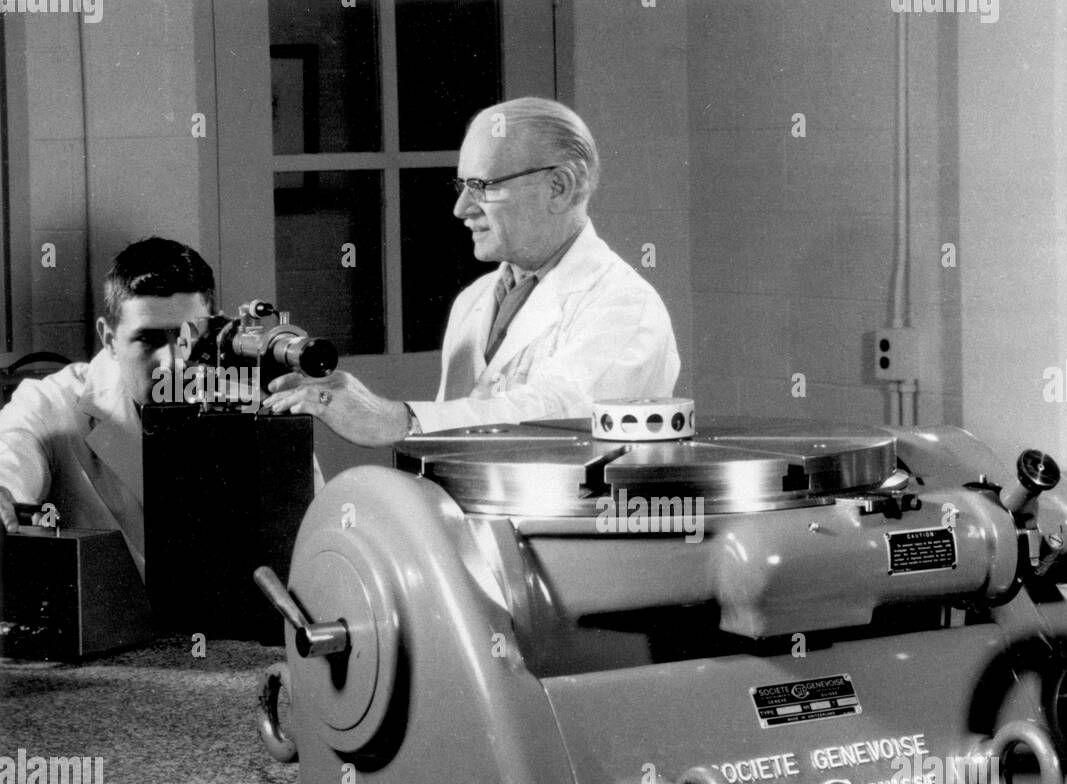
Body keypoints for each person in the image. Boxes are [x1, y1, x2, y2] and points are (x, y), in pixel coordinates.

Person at [262, 97, 680, 444]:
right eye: (462, 186)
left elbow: (561, 415)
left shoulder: (626, 308)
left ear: (560, 187)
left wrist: (400, 419)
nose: (461, 209)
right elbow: (452, 445)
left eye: (484, 187)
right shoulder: (475, 301)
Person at [0, 238, 216, 576]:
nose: (172, 363)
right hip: (108, 627)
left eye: (189, 337)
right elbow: (10, 454)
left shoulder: (246, 401)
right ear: (110, 339)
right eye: (148, 339)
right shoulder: (52, 403)